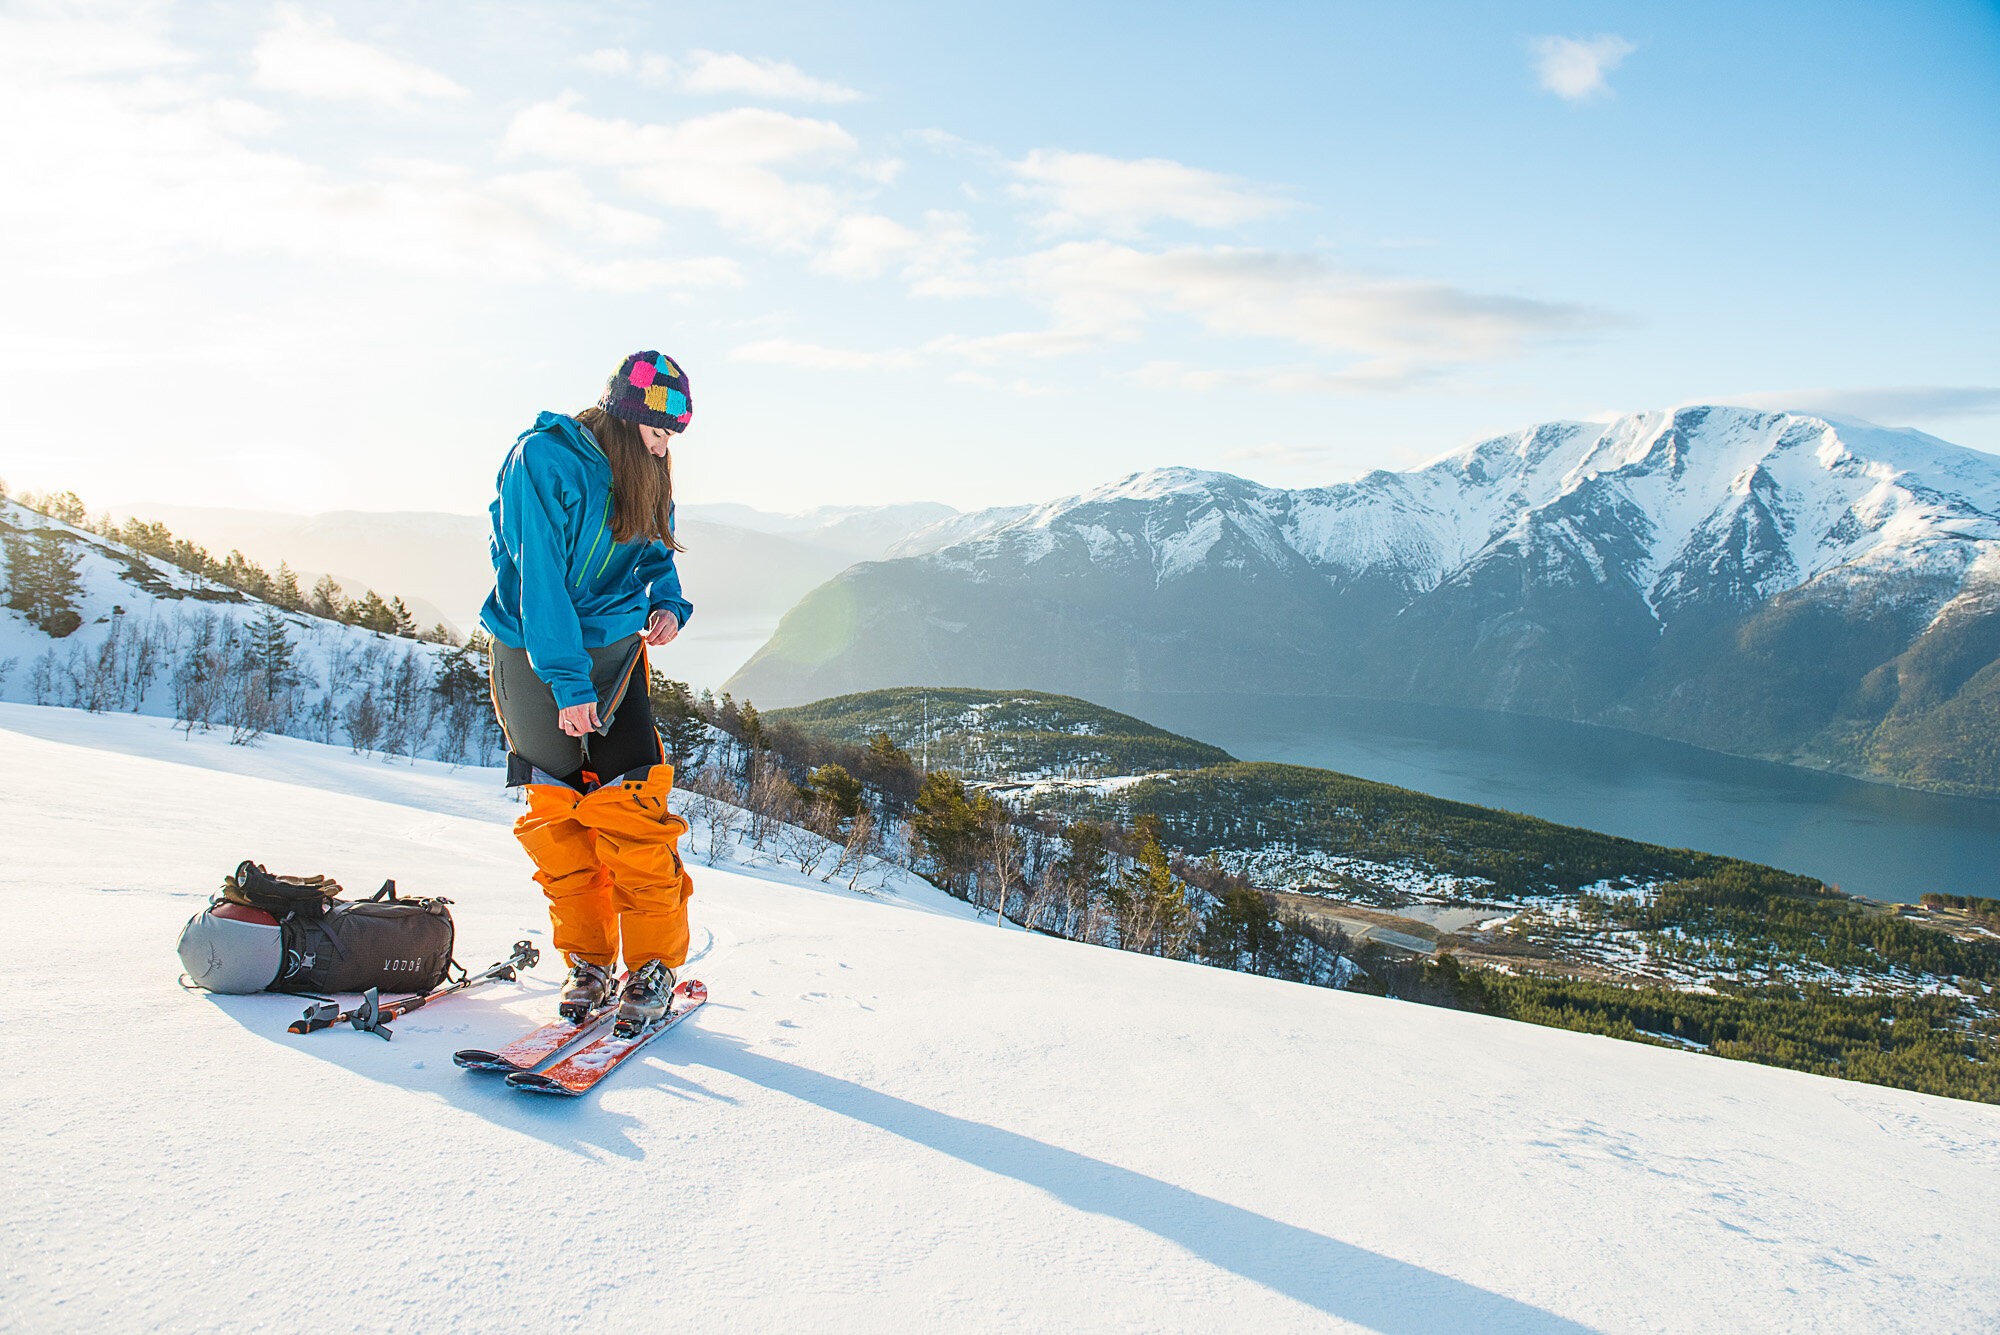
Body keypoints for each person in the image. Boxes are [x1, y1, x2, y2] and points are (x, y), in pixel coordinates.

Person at [480, 350, 697, 1033]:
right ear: (625, 418)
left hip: (615, 656)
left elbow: (657, 548)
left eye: (671, 437)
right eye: (657, 433)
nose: (663, 449)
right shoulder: (542, 461)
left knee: (634, 809)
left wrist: (668, 601)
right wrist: (568, 683)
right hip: (536, 656)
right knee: (561, 819)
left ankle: (653, 965)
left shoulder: (647, 470)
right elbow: (539, 578)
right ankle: (589, 961)